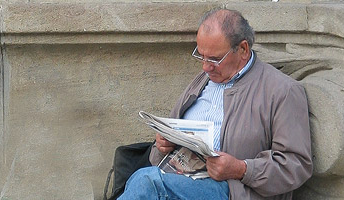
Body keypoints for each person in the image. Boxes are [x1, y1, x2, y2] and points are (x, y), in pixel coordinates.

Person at [118, 8, 312, 200]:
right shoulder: (203, 80)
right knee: (146, 181)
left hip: (233, 190)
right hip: (179, 178)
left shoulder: (282, 91)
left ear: (243, 49)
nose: (205, 66)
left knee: (147, 182)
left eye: (214, 59)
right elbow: (160, 152)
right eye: (201, 55)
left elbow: (297, 165)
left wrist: (241, 169)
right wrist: (162, 146)